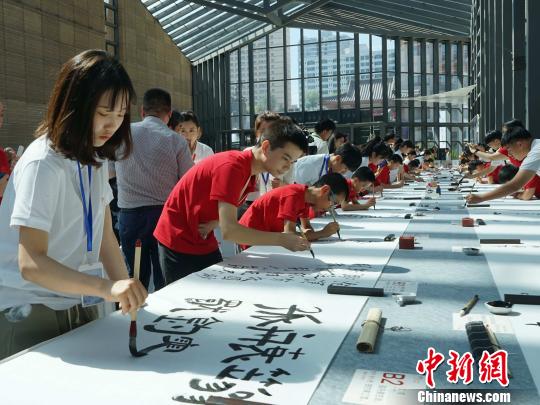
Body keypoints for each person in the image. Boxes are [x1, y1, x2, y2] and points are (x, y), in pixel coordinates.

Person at [0, 50, 147, 360]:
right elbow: (31, 263)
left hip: (76, 300)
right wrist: (108, 289)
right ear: (75, 104)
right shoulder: (43, 163)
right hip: (29, 307)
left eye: (120, 115)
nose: (113, 124)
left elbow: (106, 238)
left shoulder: (92, 160)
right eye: (104, 113)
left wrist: (126, 289)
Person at [154, 116, 311, 283]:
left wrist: (215, 222)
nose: (288, 166)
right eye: (286, 158)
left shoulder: (250, 173)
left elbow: (220, 211)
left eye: (293, 161)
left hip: (202, 237)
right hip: (177, 239)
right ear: (266, 147)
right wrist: (281, 239)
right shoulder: (232, 167)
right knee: (186, 300)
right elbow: (230, 232)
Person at [114, 88, 193, 291]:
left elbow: (108, 174)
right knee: (164, 276)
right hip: (164, 216)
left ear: (142, 111)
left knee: (134, 276)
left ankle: (133, 318)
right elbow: (188, 182)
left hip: (130, 215)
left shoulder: (122, 135)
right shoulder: (176, 140)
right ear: (168, 114)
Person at [238, 173, 348, 249]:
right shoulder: (293, 195)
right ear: (325, 190)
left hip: (266, 238)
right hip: (250, 238)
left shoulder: (306, 198)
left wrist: (316, 234)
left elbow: (307, 229)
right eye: (333, 202)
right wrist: (323, 233)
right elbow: (289, 235)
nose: (331, 207)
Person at [467, 125, 540, 204]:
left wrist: (481, 198)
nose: (509, 154)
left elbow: (515, 185)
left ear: (519, 144)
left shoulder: (535, 152)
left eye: (509, 149)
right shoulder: (535, 148)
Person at [292, 143, 362, 186]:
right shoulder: (311, 164)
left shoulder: (329, 167)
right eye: (345, 168)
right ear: (338, 159)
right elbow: (295, 188)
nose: (344, 172)